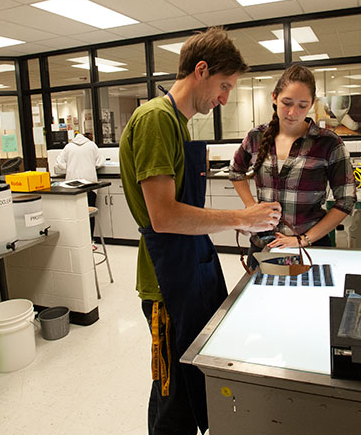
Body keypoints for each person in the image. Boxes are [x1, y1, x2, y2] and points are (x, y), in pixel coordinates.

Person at [119, 27, 281, 435]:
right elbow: (165, 217)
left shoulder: (179, 123)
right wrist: (241, 218)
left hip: (190, 264)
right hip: (166, 277)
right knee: (175, 396)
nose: (225, 98)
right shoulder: (156, 119)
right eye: (224, 86)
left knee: (183, 383)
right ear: (201, 70)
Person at [229, 64, 356, 264]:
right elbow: (236, 171)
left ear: (312, 104)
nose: (292, 112)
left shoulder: (329, 143)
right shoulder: (256, 137)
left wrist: (303, 239)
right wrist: (251, 207)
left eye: (302, 105)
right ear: (274, 97)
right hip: (264, 246)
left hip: (310, 249)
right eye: (286, 103)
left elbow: (346, 200)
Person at [54, 133, 103, 236]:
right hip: (90, 184)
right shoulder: (92, 145)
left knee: (74, 214)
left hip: (72, 185)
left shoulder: (68, 147)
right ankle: (90, 240)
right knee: (90, 213)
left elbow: (59, 163)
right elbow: (100, 162)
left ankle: (78, 241)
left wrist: (69, 167)